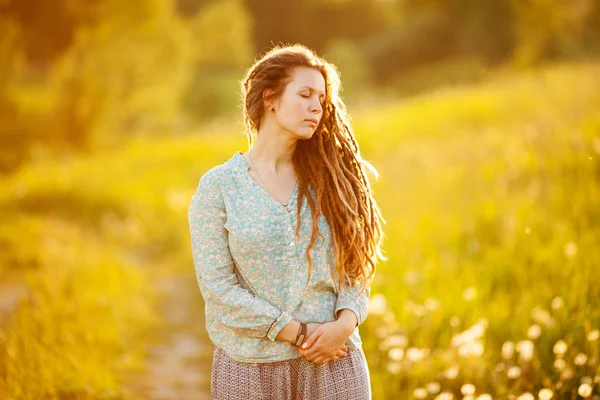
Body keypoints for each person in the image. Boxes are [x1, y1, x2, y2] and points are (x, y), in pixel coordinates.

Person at [187, 43, 385, 399]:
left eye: (322, 100)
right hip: (249, 368)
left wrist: (346, 323)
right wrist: (296, 332)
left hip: (335, 362)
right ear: (270, 98)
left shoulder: (333, 179)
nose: (316, 107)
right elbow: (218, 288)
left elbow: (356, 265)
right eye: (305, 94)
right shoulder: (218, 187)